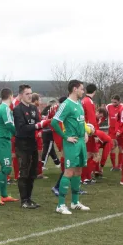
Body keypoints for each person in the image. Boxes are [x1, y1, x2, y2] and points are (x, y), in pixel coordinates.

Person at [51, 80, 92, 215]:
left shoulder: (79, 103)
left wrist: (85, 132)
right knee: (69, 172)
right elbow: (54, 122)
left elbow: (81, 121)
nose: (83, 91)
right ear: (74, 89)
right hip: (71, 142)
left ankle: (75, 202)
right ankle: (60, 205)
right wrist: (65, 137)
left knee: (79, 171)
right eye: (81, 89)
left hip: (80, 141)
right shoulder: (66, 104)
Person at [13, 84, 49, 209]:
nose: (30, 96)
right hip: (22, 145)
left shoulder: (34, 108)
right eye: (27, 93)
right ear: (21, 95)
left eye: (31, 93)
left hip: (32, 143)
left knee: (32, 173)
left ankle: (29, 198)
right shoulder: (18, 109)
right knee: (24, 172)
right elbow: (21, 128)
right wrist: (38, 126)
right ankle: (24, 201)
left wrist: (45, 122)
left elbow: (38, 122)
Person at [0, 88, 20, 205]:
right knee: (6, 168)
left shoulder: (2, 108)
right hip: (2, 141)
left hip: (4, 141)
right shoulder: (5, 109)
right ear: (11, 96)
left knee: (5, 167)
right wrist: (18, 134)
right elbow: (9, 125)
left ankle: (4, 195)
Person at [81, 84, 99, 184]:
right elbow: (92, 119)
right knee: (94, 155)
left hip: (84, 130)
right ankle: (86, 177)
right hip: (89, 131)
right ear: (94, 91)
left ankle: (85, 176)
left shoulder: (83, 100)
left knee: (88, 155)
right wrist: (95, 134)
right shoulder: (89, 102)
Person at [40, 100, 61, 170]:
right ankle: (42, 165)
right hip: (49, 132)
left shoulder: (44, 111)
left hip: (44, 132)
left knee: (50, 148)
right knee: (47, 149)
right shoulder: (51, 111)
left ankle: (57, 162)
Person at [106, 95, 123, 171]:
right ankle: (113, 166)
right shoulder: (108, 106)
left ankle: (119, 166)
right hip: (111, 130)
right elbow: (103, 115)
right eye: (112, 102)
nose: (113, 103)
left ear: (119, 101)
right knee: (112, 147)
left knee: (120, 148)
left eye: (115, 102)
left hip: (120, 130)